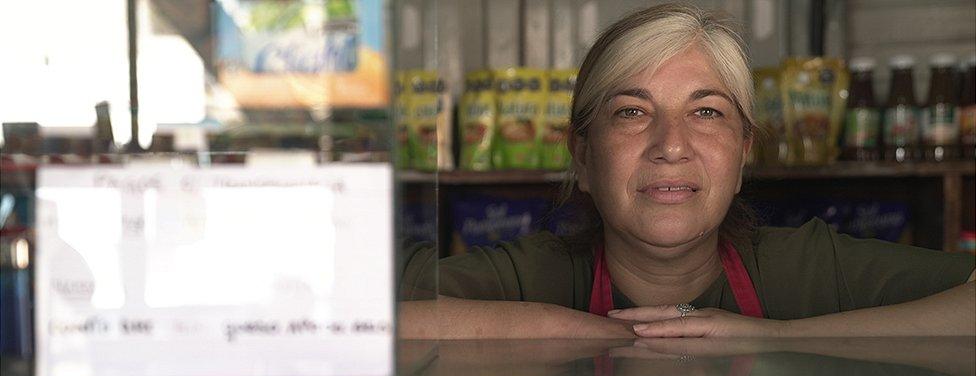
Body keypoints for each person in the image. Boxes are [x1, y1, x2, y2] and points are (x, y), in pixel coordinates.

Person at [399, 3, 975, 339]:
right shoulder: (534, 277)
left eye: (706, 112)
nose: (670, 146)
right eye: (631, 112)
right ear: (583, 155)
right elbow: (347, 319)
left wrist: (775, 340)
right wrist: (597, 334)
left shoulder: (806, 267)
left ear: (744, 150)